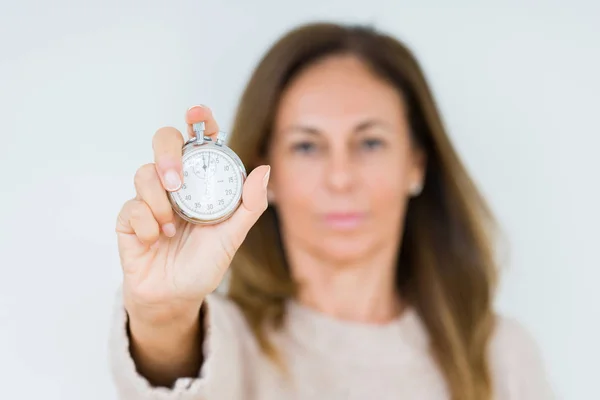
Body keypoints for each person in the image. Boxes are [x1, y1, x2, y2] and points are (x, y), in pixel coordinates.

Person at [109, 22, 554, 400]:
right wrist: (162, 314)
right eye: (306, 146)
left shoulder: (500, 356)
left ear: (416, 164)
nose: (340, 178)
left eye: (370, 142)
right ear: (270, 174)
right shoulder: (224, 343)